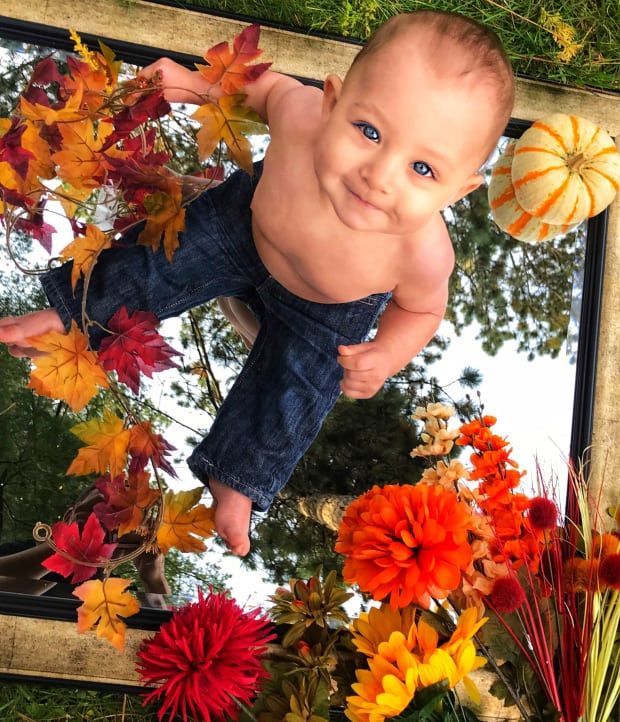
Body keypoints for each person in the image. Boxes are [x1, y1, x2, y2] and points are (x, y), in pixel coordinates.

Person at [0, 10, 515, 557]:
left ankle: (236, 477)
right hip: (244, 226)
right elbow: (261, 89)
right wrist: (194, 85)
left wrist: (387, 353)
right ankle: (71, 314)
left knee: (295, 391)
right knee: (157, 262)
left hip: (325, 310)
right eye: (369, 132)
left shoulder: (425, 253)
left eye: (423, 170)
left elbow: (420, 312)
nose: (380, 175)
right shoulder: (300, 116)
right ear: (332, 101)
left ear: (460, 190)